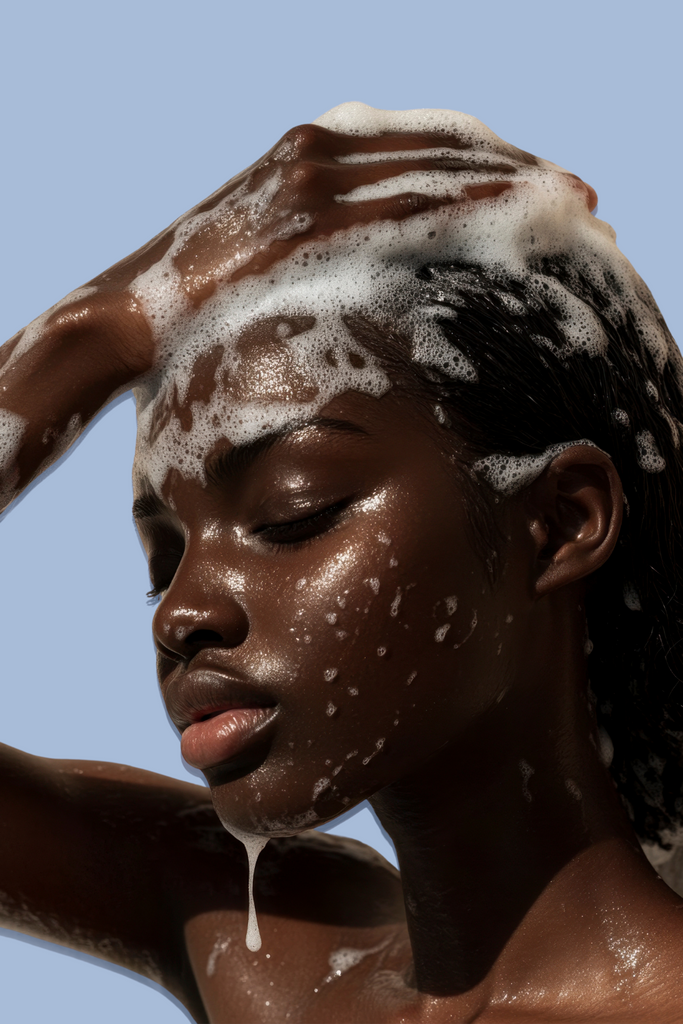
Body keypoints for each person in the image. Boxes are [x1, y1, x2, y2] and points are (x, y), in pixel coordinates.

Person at [1, 101, 683, 1023]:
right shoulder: (261, 953)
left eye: (292, 514)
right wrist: (119, 321)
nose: (181, 612)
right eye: (162, 560)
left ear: (561, 522)